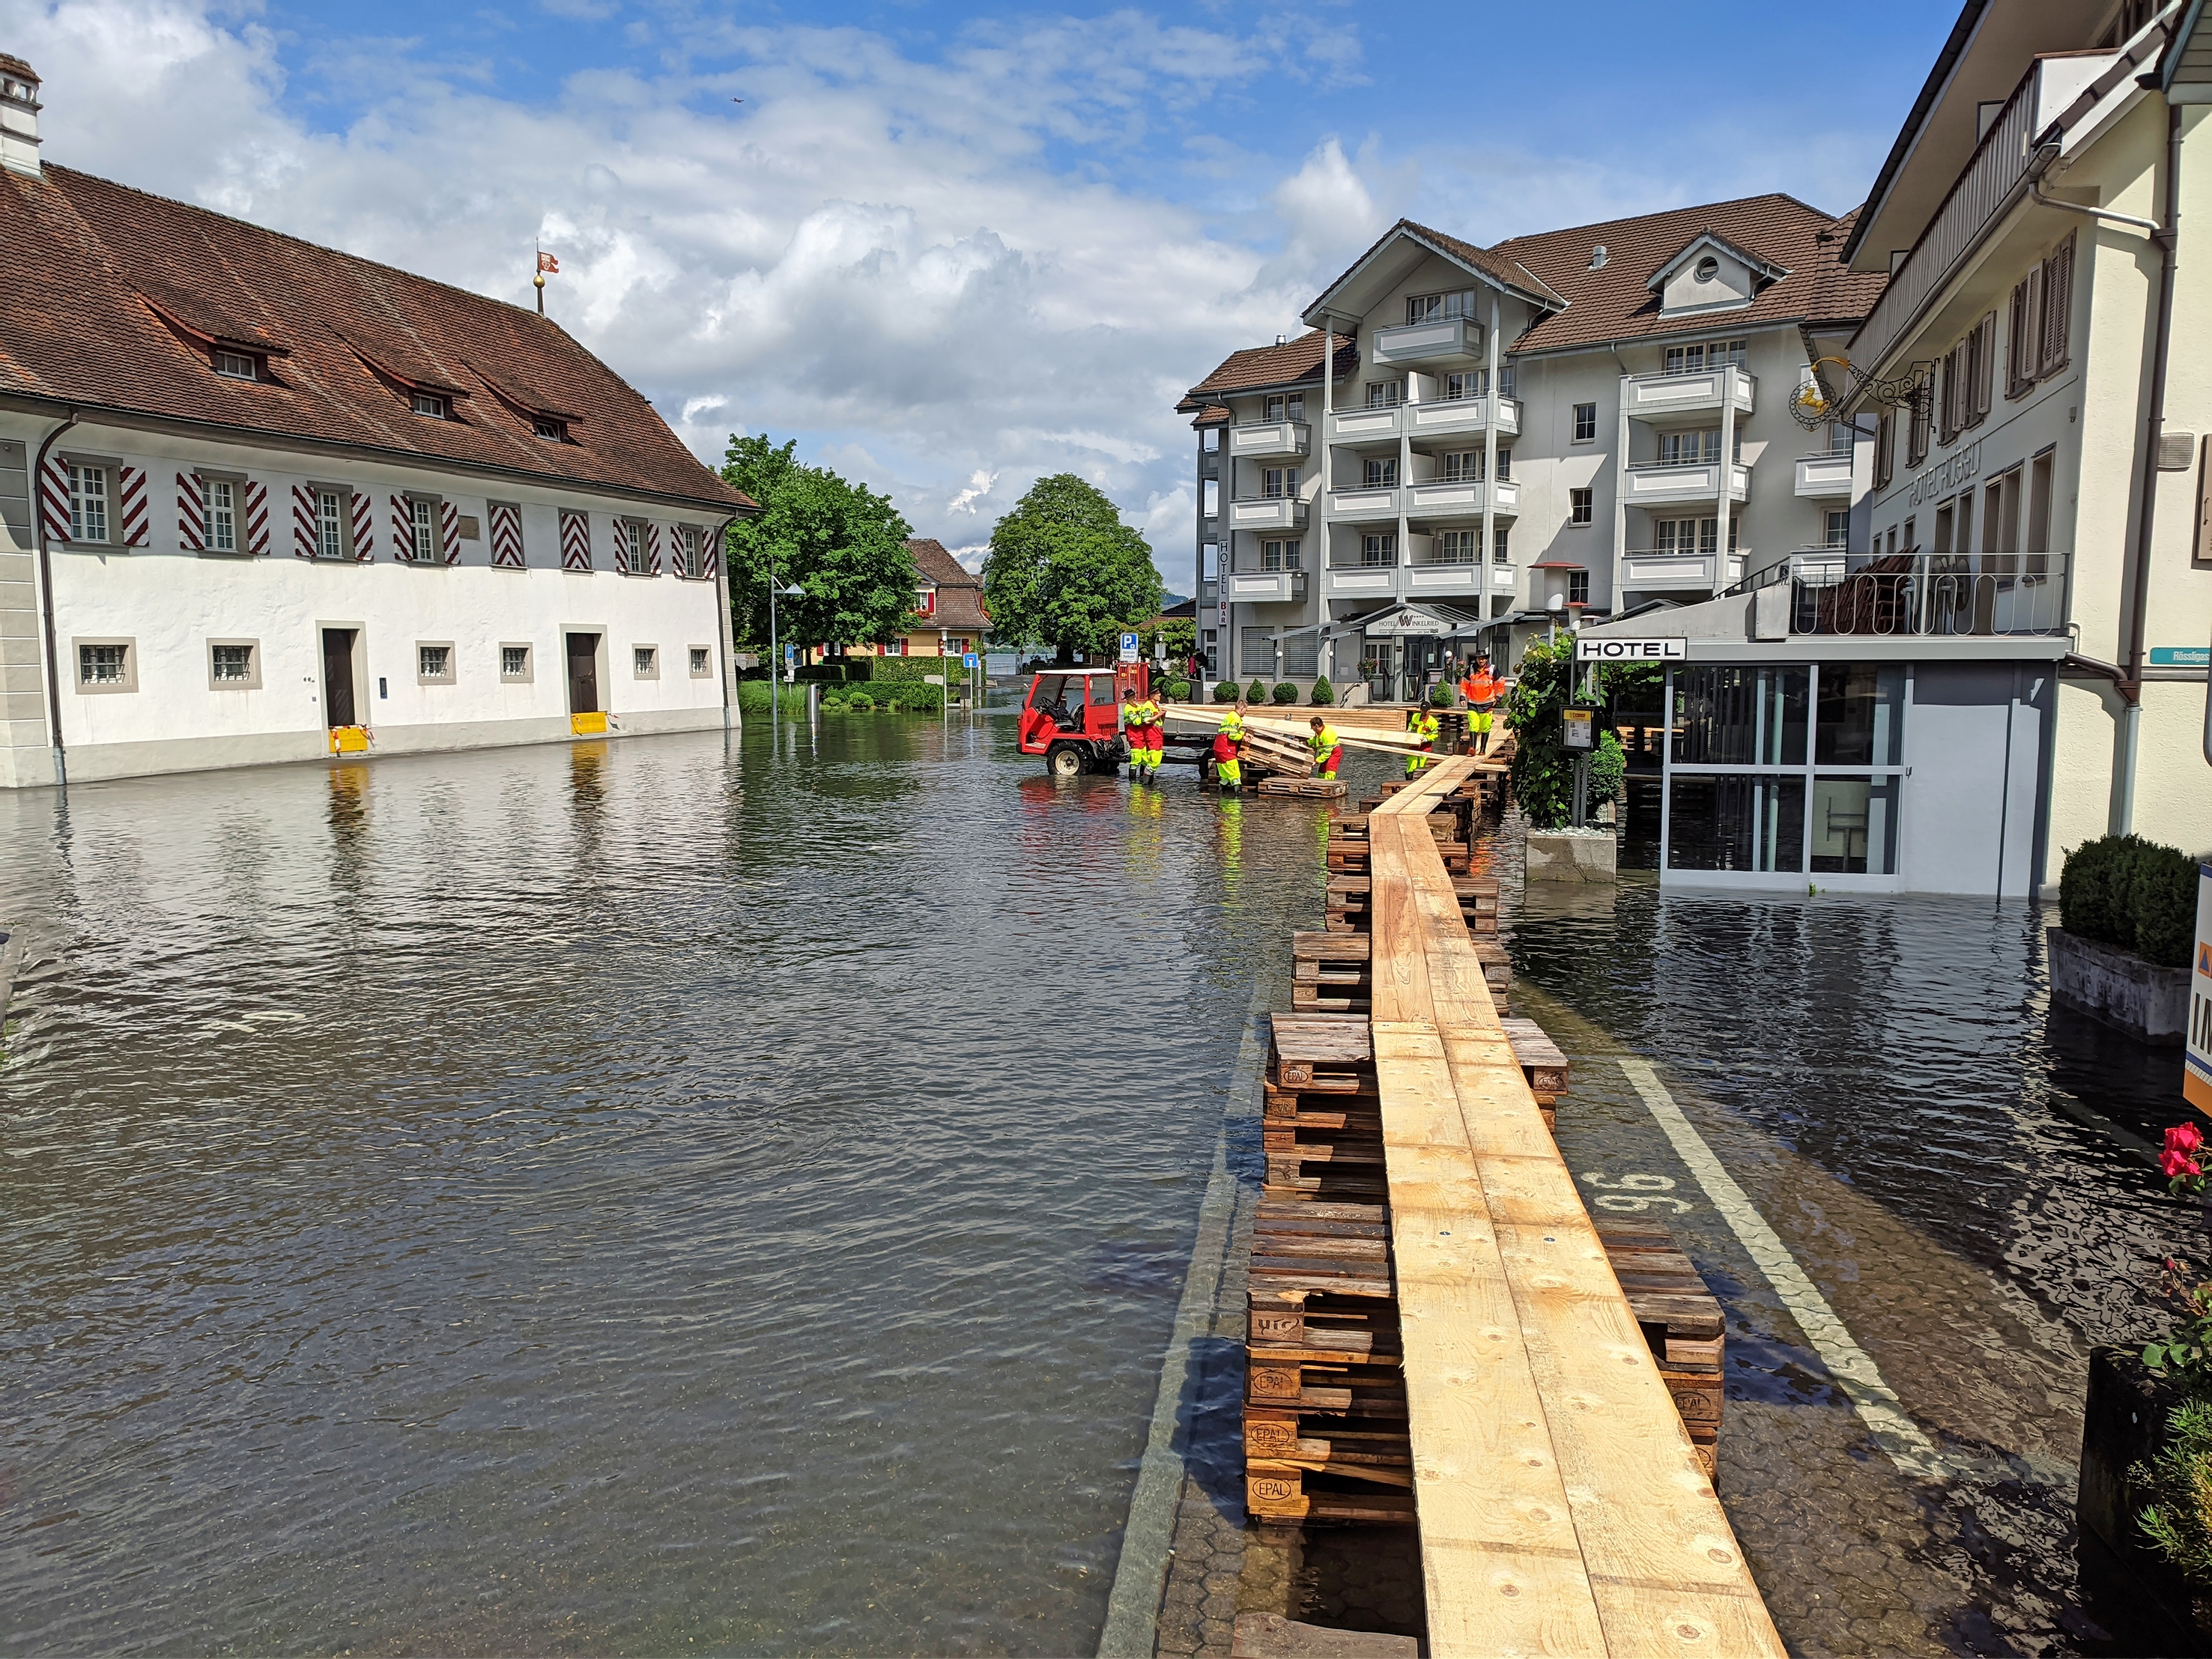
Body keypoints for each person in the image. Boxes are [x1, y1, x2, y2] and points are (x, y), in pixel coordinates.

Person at [1462, 654, 1501, 755]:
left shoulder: (1493, 669)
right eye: (1479, 658)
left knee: (1485, 727)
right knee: (1473, 725)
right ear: (1476, 659)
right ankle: (1472, 748)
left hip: (1487, 704)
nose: (1481, 660)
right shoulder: (1471, 669)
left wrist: (1498, 697)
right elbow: (1464, 683)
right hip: (1473, 703)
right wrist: (1462, 696)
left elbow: (1500, 683)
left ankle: (1483, 750)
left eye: (1483, 658)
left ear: (1487, 659)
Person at [1125, 685, 1163, 782]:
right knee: (1136, 759)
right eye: (1132, 697)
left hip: (1141, 735)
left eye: (1134, 696)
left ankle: (1143, 779)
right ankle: (1133, 782)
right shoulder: (1128, 709)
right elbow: (1137, 721)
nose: (1134, 698)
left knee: (1145, 760)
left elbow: (1145, 713)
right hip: (1134, 735)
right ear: (1127, 699)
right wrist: (1146, 719)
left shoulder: (1139, 706)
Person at [1216, 700, 1248, 794]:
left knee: (1225, 776)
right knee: (1235, 776)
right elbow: (1232, 735)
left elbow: (1229, 731)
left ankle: (1221, 796)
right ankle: (1238, 799)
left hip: (1218, 748)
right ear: (1242, 708)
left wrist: (1243, 733)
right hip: (1227, 749)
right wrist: (1243, 737)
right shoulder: (1236, 718)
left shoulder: (1230, 716)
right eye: (1245, 710)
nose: (1245, 713)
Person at [1405, 701, 1439, 777]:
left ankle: (1421, 780)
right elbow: (1411, 724)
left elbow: (1435, 735)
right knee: (1411, 763)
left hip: (1425, 747)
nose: (1423, 712)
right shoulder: (1415, 717)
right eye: (1422, 710)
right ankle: (1408, 781)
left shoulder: (1433, 722)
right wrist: (1409, 729)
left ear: (1429, 710)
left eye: (1425, 711)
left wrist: (1427, 738)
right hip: (1414, 746)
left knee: (1423, 765)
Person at [1307, 715, 1342, 780]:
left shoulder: (1327, 735)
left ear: (1317, 726)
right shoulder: (1319, 732)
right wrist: (1308, 742)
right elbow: (1316, 740)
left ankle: (1328, 784)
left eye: (1312, 726)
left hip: (1334, 752)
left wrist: (1316, 761)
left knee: (1330, 768)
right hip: (1326, 752)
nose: (1311, 728)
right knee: (1322, 769)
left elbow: (1327, 753)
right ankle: (1320, 782)